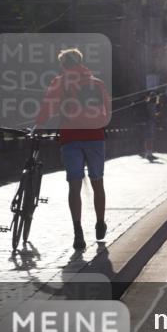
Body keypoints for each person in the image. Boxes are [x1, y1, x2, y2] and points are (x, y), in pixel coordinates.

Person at [34, 48, 112, 251]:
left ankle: (78, 231)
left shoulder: (59, 83)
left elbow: (47, 107)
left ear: (63, 64)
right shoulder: (97, 83)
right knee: (98, 182)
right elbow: (107, 112)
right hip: (95, 138)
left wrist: (39, 126)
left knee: (74, 185)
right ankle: (100, 222)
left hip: (70, 139)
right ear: (80, 62)